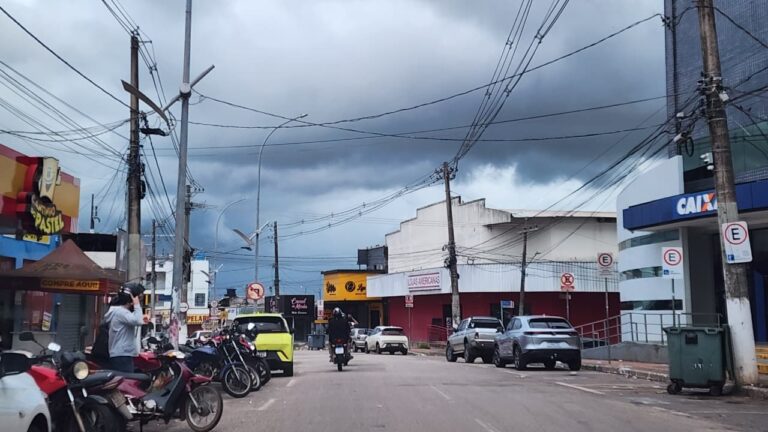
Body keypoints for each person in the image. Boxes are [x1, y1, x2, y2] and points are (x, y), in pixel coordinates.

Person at [103, 283, 148, 373]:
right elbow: (137, 320)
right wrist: (136, 304)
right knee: (127, 380)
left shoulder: (119, 312)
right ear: (130, 299)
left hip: (120, 354)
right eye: (138, 298)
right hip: (122, 355)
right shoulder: (121, 312)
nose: (139, 301)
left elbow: (136, 320)